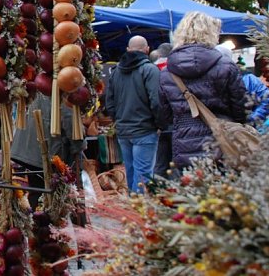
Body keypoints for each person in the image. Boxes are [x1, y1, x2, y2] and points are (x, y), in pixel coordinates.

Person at [158, 12, 247, 170]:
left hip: (184, 144)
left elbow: (166, 115)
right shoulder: (226, 66)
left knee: (191, 192)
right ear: (211, 33)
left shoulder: (167, 73)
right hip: (222, 142)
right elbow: (241, 108)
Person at [105, 35, 162, 193]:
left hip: (124, 131)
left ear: (128, 50)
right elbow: (157, 101)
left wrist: (118, 120)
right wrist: (159, 124)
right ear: (147, 49)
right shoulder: (150, 70)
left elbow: (109, 101)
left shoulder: (116, 72)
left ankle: (133, 208)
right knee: (143, 173)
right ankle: (139, 212)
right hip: (145, 130)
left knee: (131, 171)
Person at [12, 93, 86, 209]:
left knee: (38, 191)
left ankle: (37, 221)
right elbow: (69, 119)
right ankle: (44, 222)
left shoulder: (42, 84)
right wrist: (79, 145)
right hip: (47, 149)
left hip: (32, 148)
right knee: (49, 193)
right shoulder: (61, 87)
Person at [215, 46, 269, 127]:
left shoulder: (249, 79)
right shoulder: (209, 80)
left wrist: (252, 120)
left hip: (248, 130)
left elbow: (266, 99)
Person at [151, 43, 174, 178]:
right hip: (177, 122)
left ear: (159, 54)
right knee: (175, 163)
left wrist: (158, 123)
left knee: (160, 163)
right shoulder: (176, 69)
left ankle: (158, 195)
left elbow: (154, 100)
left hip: (159, 124)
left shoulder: (151, 69)